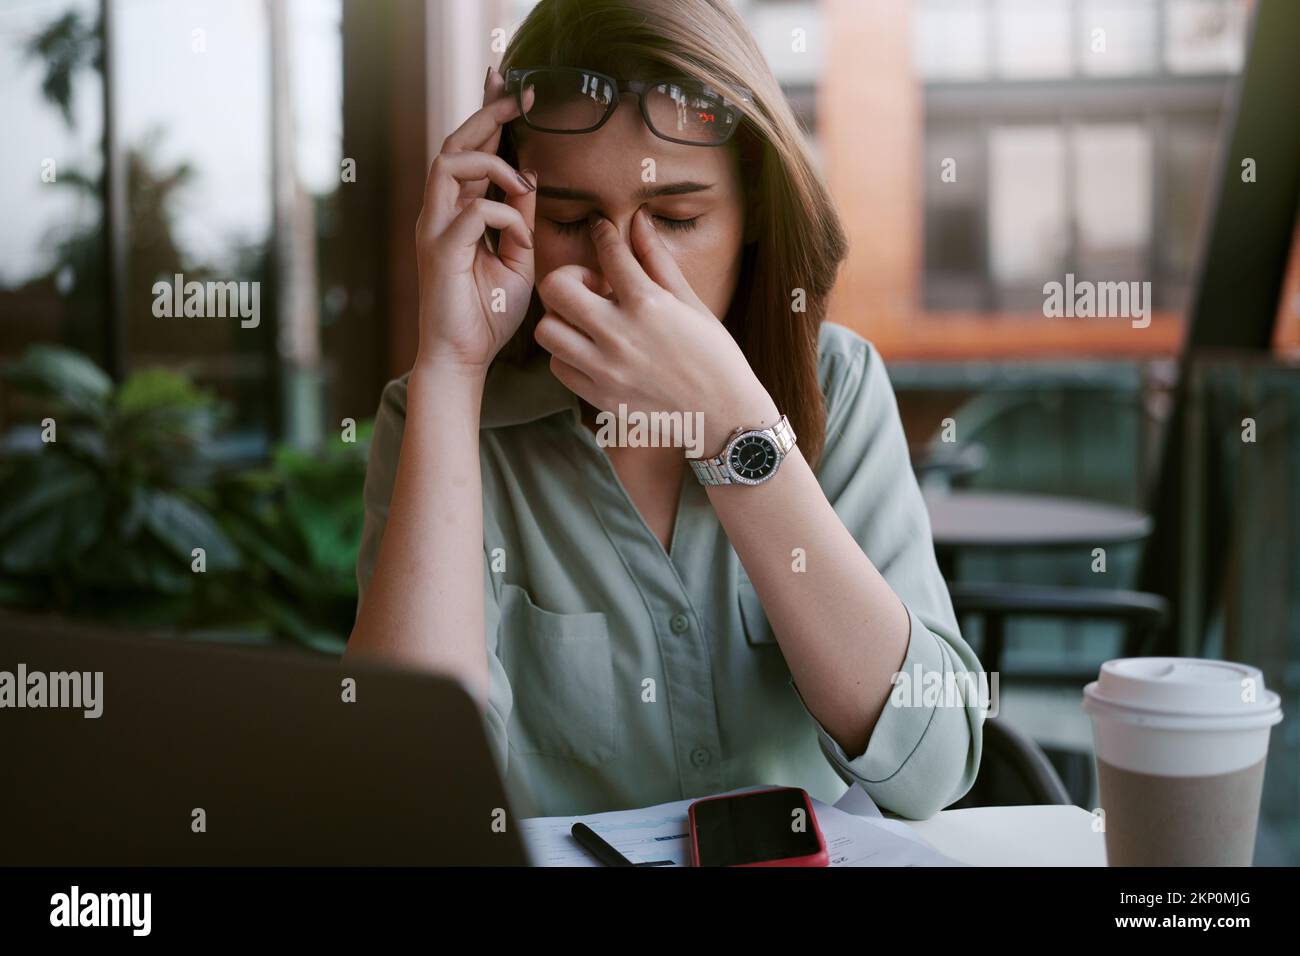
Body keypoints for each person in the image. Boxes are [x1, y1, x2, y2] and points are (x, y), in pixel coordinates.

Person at [347, 0, 984, 819]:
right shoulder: (440, 413)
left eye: (678, 218)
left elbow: (932, 770)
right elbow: (403, 801)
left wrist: (733, 427)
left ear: (755, 212)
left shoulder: (840, 381)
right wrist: (450, 362)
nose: (622, 271)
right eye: (573, 221)